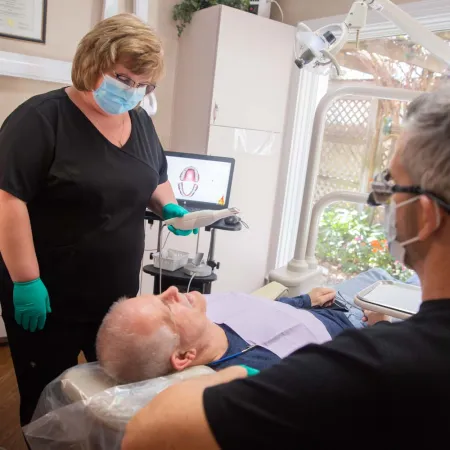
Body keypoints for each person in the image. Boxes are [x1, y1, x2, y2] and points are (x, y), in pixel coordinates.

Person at [122, 87, 450, 450]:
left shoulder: (365, 371)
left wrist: (230, 377)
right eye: (159, 307)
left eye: (387, 187)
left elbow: (145, 435)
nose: (168, 292)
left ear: (425, 215)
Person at [0, 14, 196, 427]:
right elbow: (8, 199)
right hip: (48, 292)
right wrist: (25, 280)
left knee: (113, 392)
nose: (133, 92)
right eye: (125, 78)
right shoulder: (40, 119)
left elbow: (154, 176)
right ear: (91, 62)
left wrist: (170, 208)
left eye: (144, 85)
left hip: (116, 296)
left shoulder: (140, 121)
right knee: (45, 397)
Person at [96, 284, 364, 383]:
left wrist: (304, 300)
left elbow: (257, 310)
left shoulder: (206, 317)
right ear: (183, 356)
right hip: (359, 328)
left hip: (328, 301)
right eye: (167, 307)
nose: (172, 291)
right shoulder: (257, 372)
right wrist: (378, 327)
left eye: (157, 295)